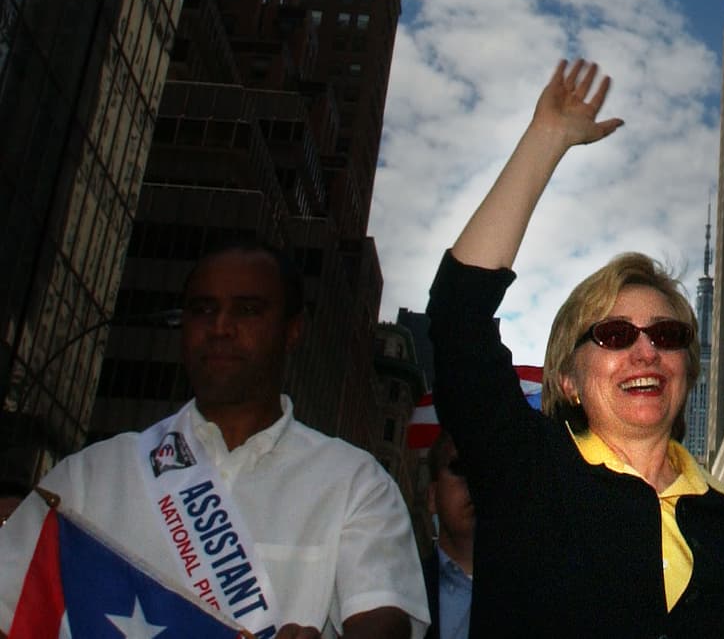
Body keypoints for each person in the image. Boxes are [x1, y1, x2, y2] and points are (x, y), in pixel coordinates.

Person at [428, 59, 724, 639]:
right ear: (569, 378)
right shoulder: (525, 472)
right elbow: (456, 321)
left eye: (667, 336)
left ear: (687, 370)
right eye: (616, 335)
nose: (645, 351)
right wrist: (547, 139)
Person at [0, 241, 430, 639]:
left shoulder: (354, 483)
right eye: (203, 310)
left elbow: (383, 619)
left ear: (293, 330)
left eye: (247, 310)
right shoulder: (88, 478)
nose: (221, 327)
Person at [423, 431, 473, 639]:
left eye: (491, 470)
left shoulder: (542, 597)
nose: (476, 482)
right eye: (460, 468)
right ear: (432, 497)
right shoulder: (394, 589)